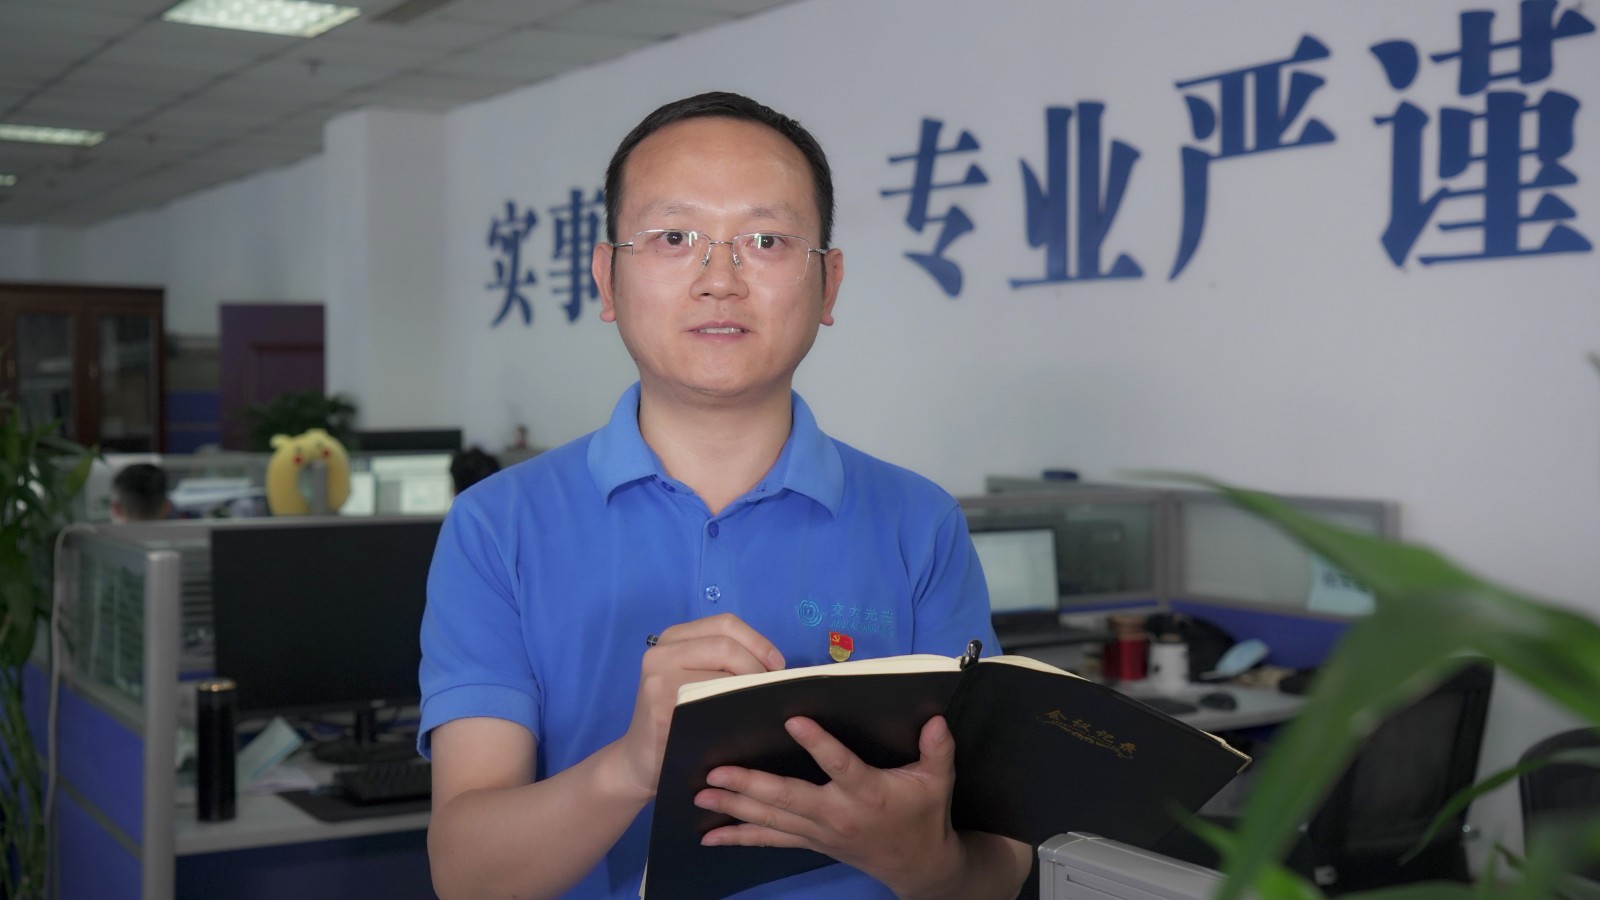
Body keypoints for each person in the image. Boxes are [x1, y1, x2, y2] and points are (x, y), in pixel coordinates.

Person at [419, 92, 1030, 899]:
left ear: (829, 284)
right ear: (607, 278)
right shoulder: (496, 527)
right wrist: (629, 767)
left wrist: (918, 859)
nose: (719, 280)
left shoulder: (919, 523)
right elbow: (465, 876)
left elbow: (998, 869)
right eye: (674, 238)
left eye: (766, 240)